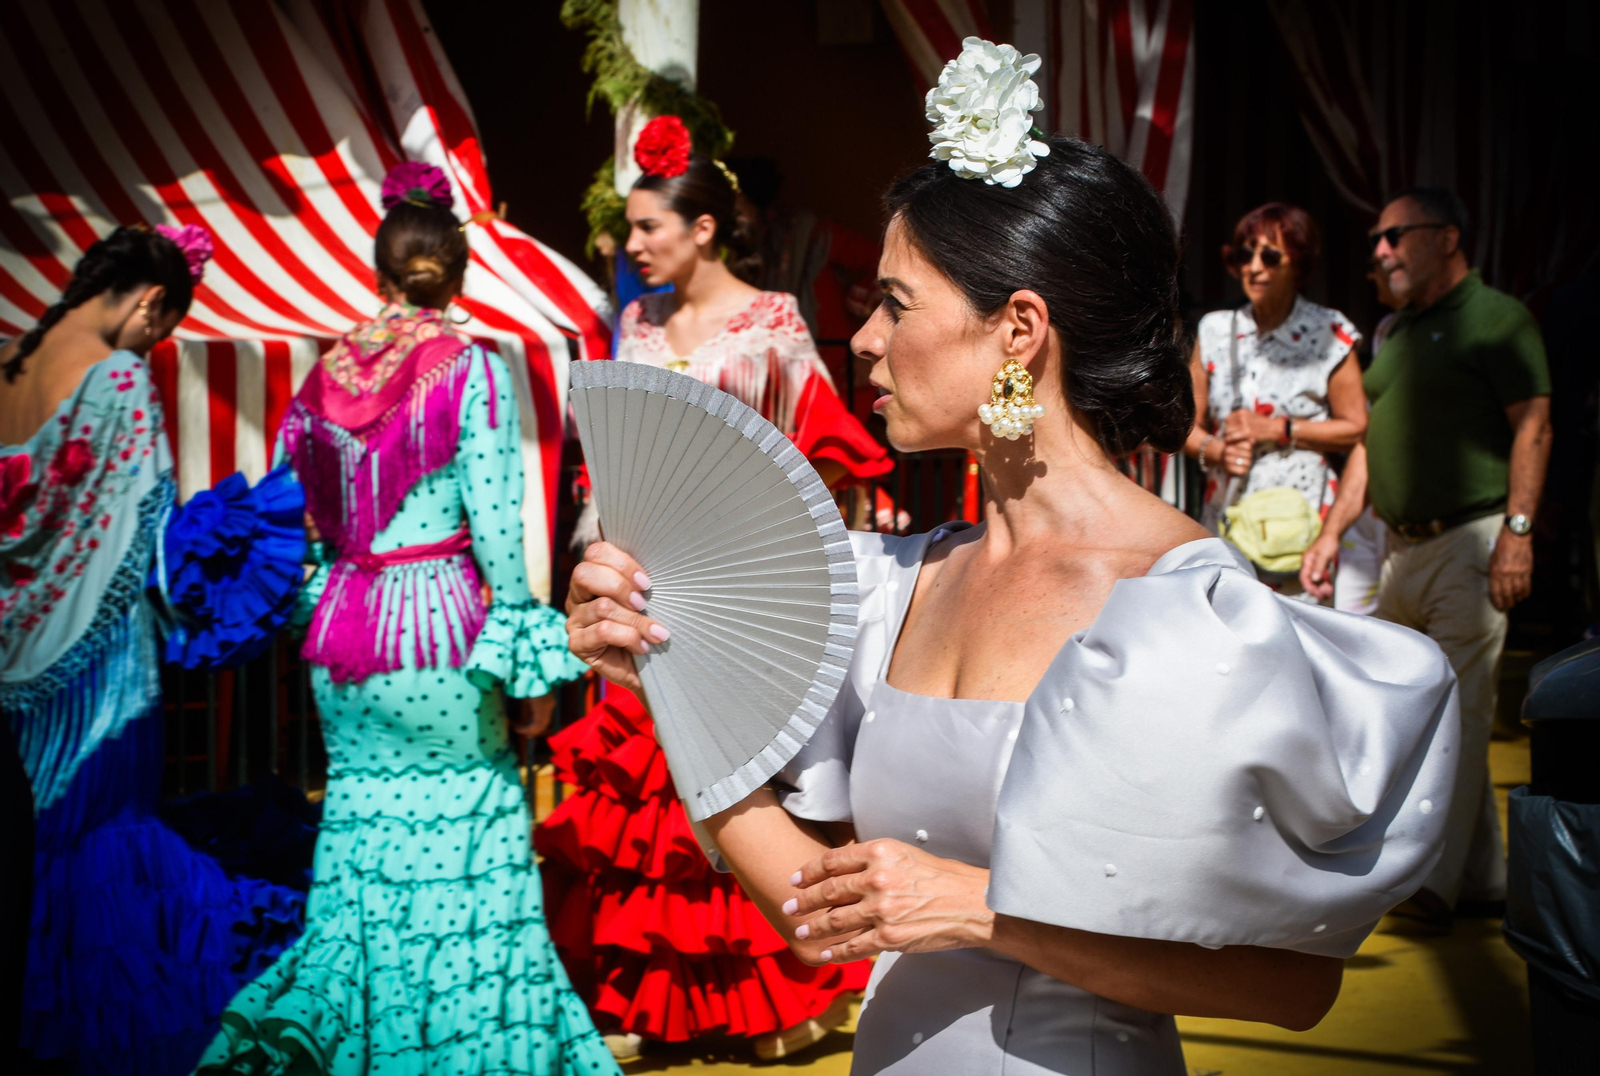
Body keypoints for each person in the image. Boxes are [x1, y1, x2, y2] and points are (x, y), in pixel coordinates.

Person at [564, 41, 1461, 1075]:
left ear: (1018, 330)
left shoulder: (1185, 608)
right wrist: (668, 678)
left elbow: (1290, 986)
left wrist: (983, 914)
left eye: (895, 304)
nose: (861, 339)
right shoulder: (891, 585)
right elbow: (821, 918)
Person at [197, 163, 616, 1074]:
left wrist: (327, 603)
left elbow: (286, 524)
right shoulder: (470, 368)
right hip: (440, 636)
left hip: (345, 641)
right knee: (471, 851)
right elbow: (501, 527)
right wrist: (525, 667)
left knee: (359, 848)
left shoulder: (320, 381)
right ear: (458, 275)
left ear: (379, 272)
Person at [537, 116, 888, 1063]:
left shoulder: (773, 321)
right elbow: (601, 475)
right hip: (641, 592)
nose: (633, 245)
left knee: (746, 791)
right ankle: (658, 1001)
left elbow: (821, 460)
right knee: (645, 813)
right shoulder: (632, 327)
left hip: (739, 598)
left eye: (650, 226)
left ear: (703, 228)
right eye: (632, 229)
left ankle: (772, 1003)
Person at [0, 225, 307, 1075]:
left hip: (14, 662)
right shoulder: (121, 379)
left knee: (34, 841)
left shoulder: (8, 365)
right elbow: (147, 532)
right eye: (163, 332)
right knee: (105, 836)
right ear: (150, 302)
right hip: (101, 666)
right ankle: (103, 1018)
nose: (155, 346)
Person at [1302, 186, 1553, 923]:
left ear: (1446, 238)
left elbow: (1535, 425)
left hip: (1470, 541)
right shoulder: (1396, 334)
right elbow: (1370, 451)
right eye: (1378, 240)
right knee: (1420, 715)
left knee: (1458, 716)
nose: (1379, 251)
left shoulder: (1497, 318)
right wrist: (1330, 531)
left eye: (1394, 236)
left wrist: (1518, 531)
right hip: (1401, 551)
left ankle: (1428, 886)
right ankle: (1481, 880)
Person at [1182, 202, 1367, 597]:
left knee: (1303, 640)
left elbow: (1355, 428)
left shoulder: (1330, 330)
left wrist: (1279, 429)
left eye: (1269, 255)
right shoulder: (1215, 329)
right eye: (1243, 255)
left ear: (1297, 263)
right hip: (1228, 515)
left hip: (1301, 521)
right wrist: (1215, 451)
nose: (1254, 267)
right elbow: (1185, 425)